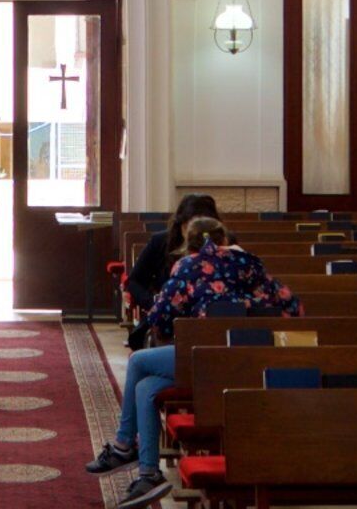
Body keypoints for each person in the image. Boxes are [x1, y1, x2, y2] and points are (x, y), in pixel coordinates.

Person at [92, 215, 296, 507]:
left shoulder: (189, 266)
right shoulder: (251, 263)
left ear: (189, 245)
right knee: (146, 388)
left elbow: (160, 318)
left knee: (138, 361)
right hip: (250, 358)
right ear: (225, 239)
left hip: (205, 359)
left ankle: (124, 446)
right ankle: (149, 472)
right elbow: (290, 304)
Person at [119, 192, 219, 344]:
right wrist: (152, 302)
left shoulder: (223, 246)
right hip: (168, 317)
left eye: (202, 229)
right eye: (190, 226)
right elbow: (133, 281)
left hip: (212, 320)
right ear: (181, 224)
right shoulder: (161, 242)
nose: (194, 234)